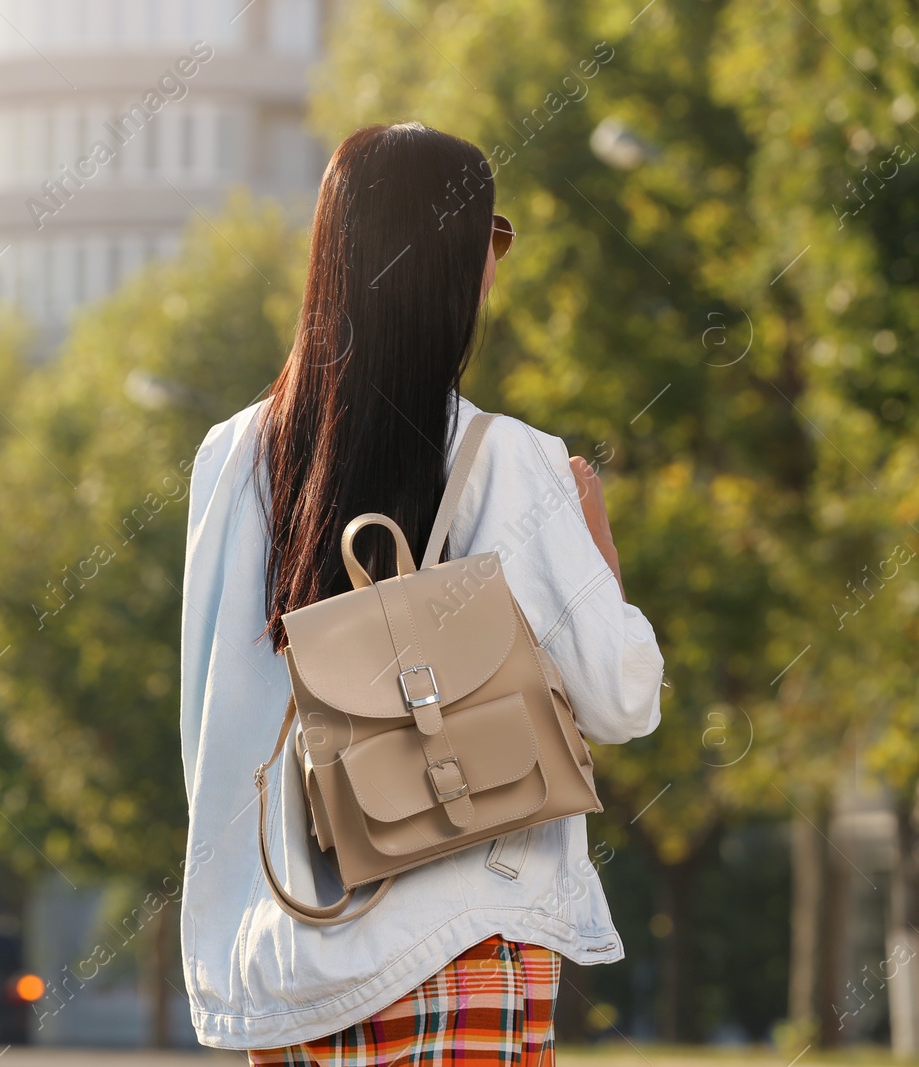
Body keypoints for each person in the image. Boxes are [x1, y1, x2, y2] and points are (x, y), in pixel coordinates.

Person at [177, 122, 664, 1063]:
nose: (496, 267)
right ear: (456, 261)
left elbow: (209, 719)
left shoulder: (231, 455)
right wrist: (599, 554)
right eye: (493, 238)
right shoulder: (511, 461)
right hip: (462, 940)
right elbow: (621, 697)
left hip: (287, 948)